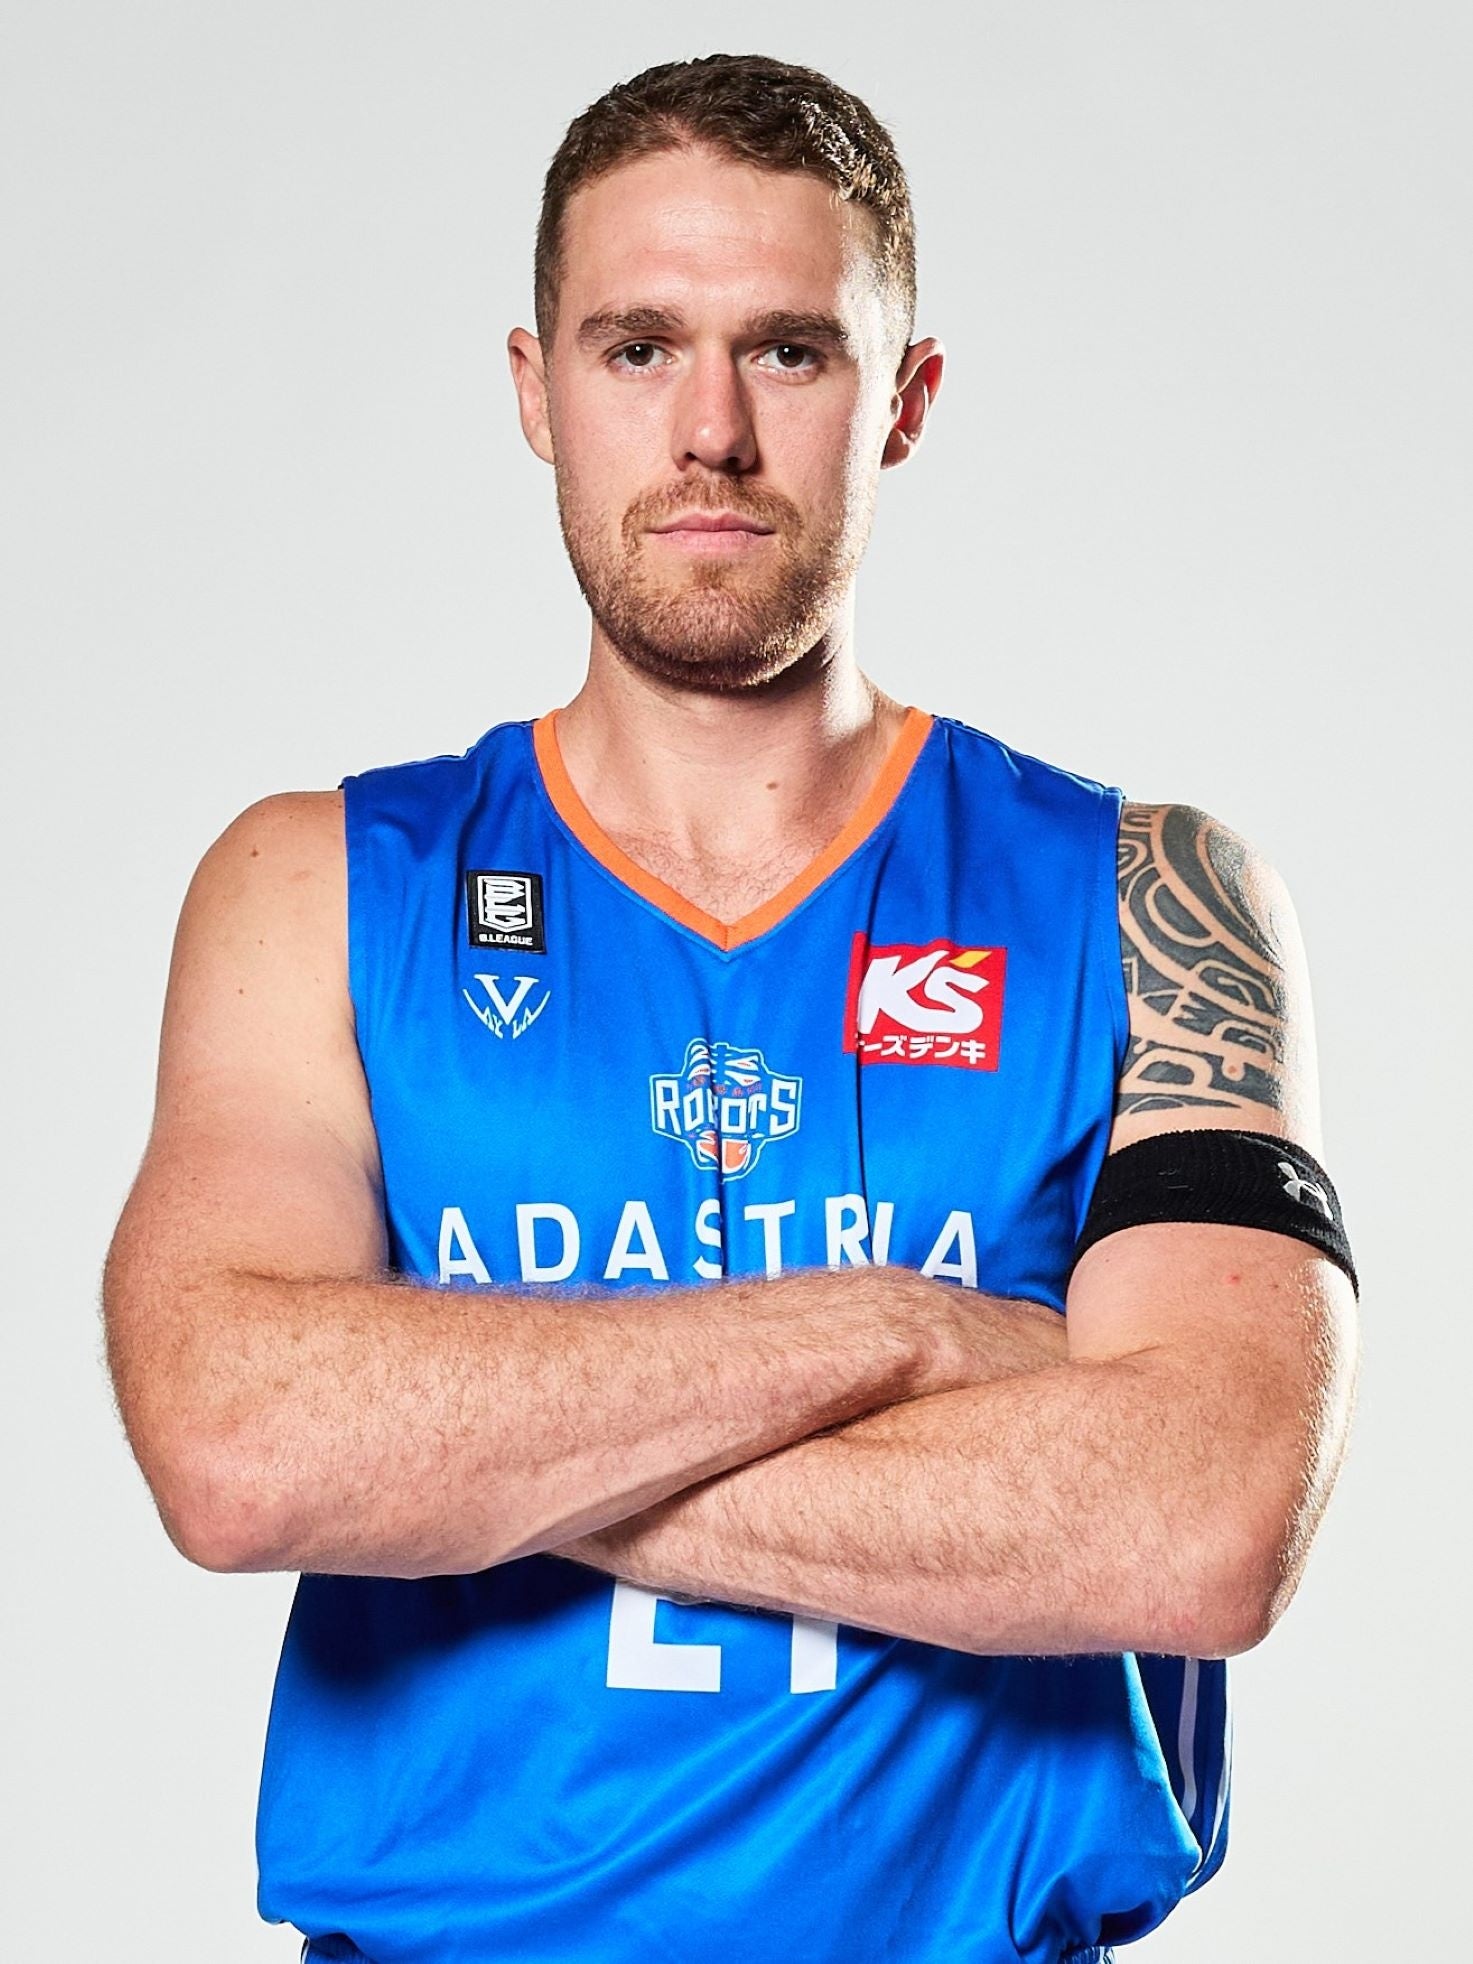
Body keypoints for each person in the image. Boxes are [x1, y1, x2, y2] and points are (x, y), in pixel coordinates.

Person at [103, 52, 1360, 1964]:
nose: (709, 433)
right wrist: (916, 1333)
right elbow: (236, 1446)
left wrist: (452, 1454)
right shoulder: (323, 885)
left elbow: (1200, 1523)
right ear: (535, 390)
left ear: (904, 399)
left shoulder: (1145, 896)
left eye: (787, 350)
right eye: (636, 349)